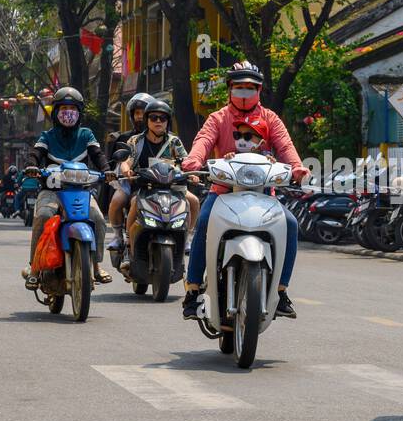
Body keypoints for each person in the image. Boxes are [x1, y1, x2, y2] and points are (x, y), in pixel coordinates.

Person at [180, 61, 305, 320]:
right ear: (229, 89)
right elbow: (203, 141)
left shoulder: (271, 119)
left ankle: (280, 291)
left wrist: (297, 167)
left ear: (259, 90)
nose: (244, 92)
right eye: (239, 86)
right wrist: (193, 162)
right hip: (223, 192)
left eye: (250, 87)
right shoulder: (218, 118)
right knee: (204, 221)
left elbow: (285, 145)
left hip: (263, 195)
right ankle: (193, 291)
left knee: (291, 224)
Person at [22, 86, 112, 288]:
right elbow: (35, 154)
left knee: (97, 218)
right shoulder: (47, 136)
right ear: (55, 112)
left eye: (72, 109)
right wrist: (31, 166)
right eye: (63, 109)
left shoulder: (86, 135)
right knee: (43, 216)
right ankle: (35, 268)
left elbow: (98, 155)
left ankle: (96, 266)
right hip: (52, 192)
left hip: (81, 192)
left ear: (79, 113)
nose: (68, 113)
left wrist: (107, 170)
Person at [116, 99, 199, 279]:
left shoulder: (174, 141)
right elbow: (127, 161)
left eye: (163, 118)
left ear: (168, 121)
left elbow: (186, 162)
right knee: (133, 204)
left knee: (193, 201)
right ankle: (129, 246)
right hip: (145, 187)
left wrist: (192, 173)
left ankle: (187, 238)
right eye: (154, 117)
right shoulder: (136, 141)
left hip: (173, 187)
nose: (158, 121)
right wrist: (126, 170)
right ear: (147, 120)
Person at [106, 93, 157, 250]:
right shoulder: (127, 139)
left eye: (143, 113)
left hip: (159, 184)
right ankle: (118, 236)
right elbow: (120, 163)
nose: (140, 117)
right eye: (137, 113)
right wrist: (125, 172)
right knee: (117, 201)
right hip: (132, 183)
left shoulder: (170, 139)